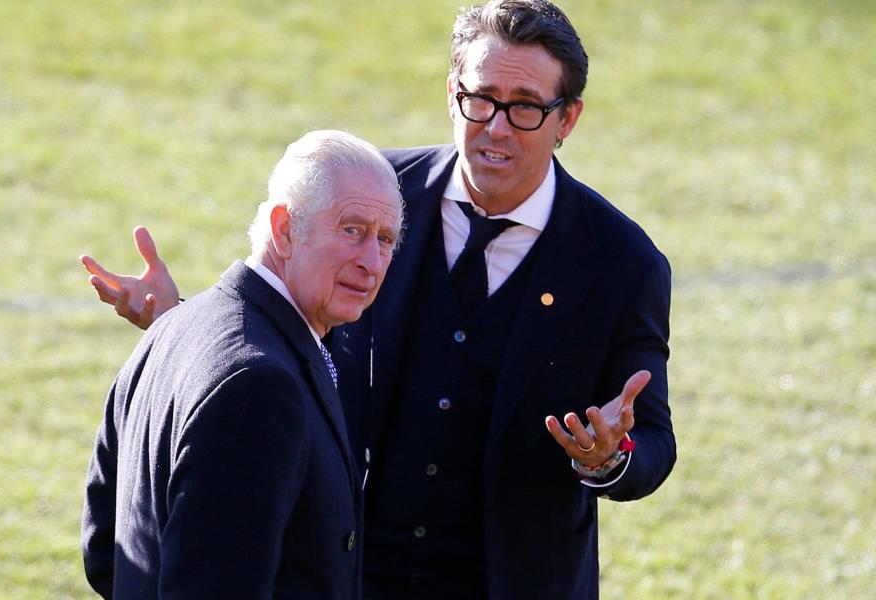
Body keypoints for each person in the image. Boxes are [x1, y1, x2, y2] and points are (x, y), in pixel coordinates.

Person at [81, 2, 675, 598]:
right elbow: (273, 336)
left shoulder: (622, 263)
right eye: (481, 98)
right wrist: (182, 321)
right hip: (350, 573)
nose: (496, 126)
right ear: (452, 94)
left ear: (566, 118)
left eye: (524, 106)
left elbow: (650, 440)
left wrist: (606, 456)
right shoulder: (370, 201)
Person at [80, 129, 404, 599]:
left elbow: (106, 553)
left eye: (386, 239)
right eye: (352, 230)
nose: (371, 261)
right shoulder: (260, 387)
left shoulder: (172, 327)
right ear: (284, 229)